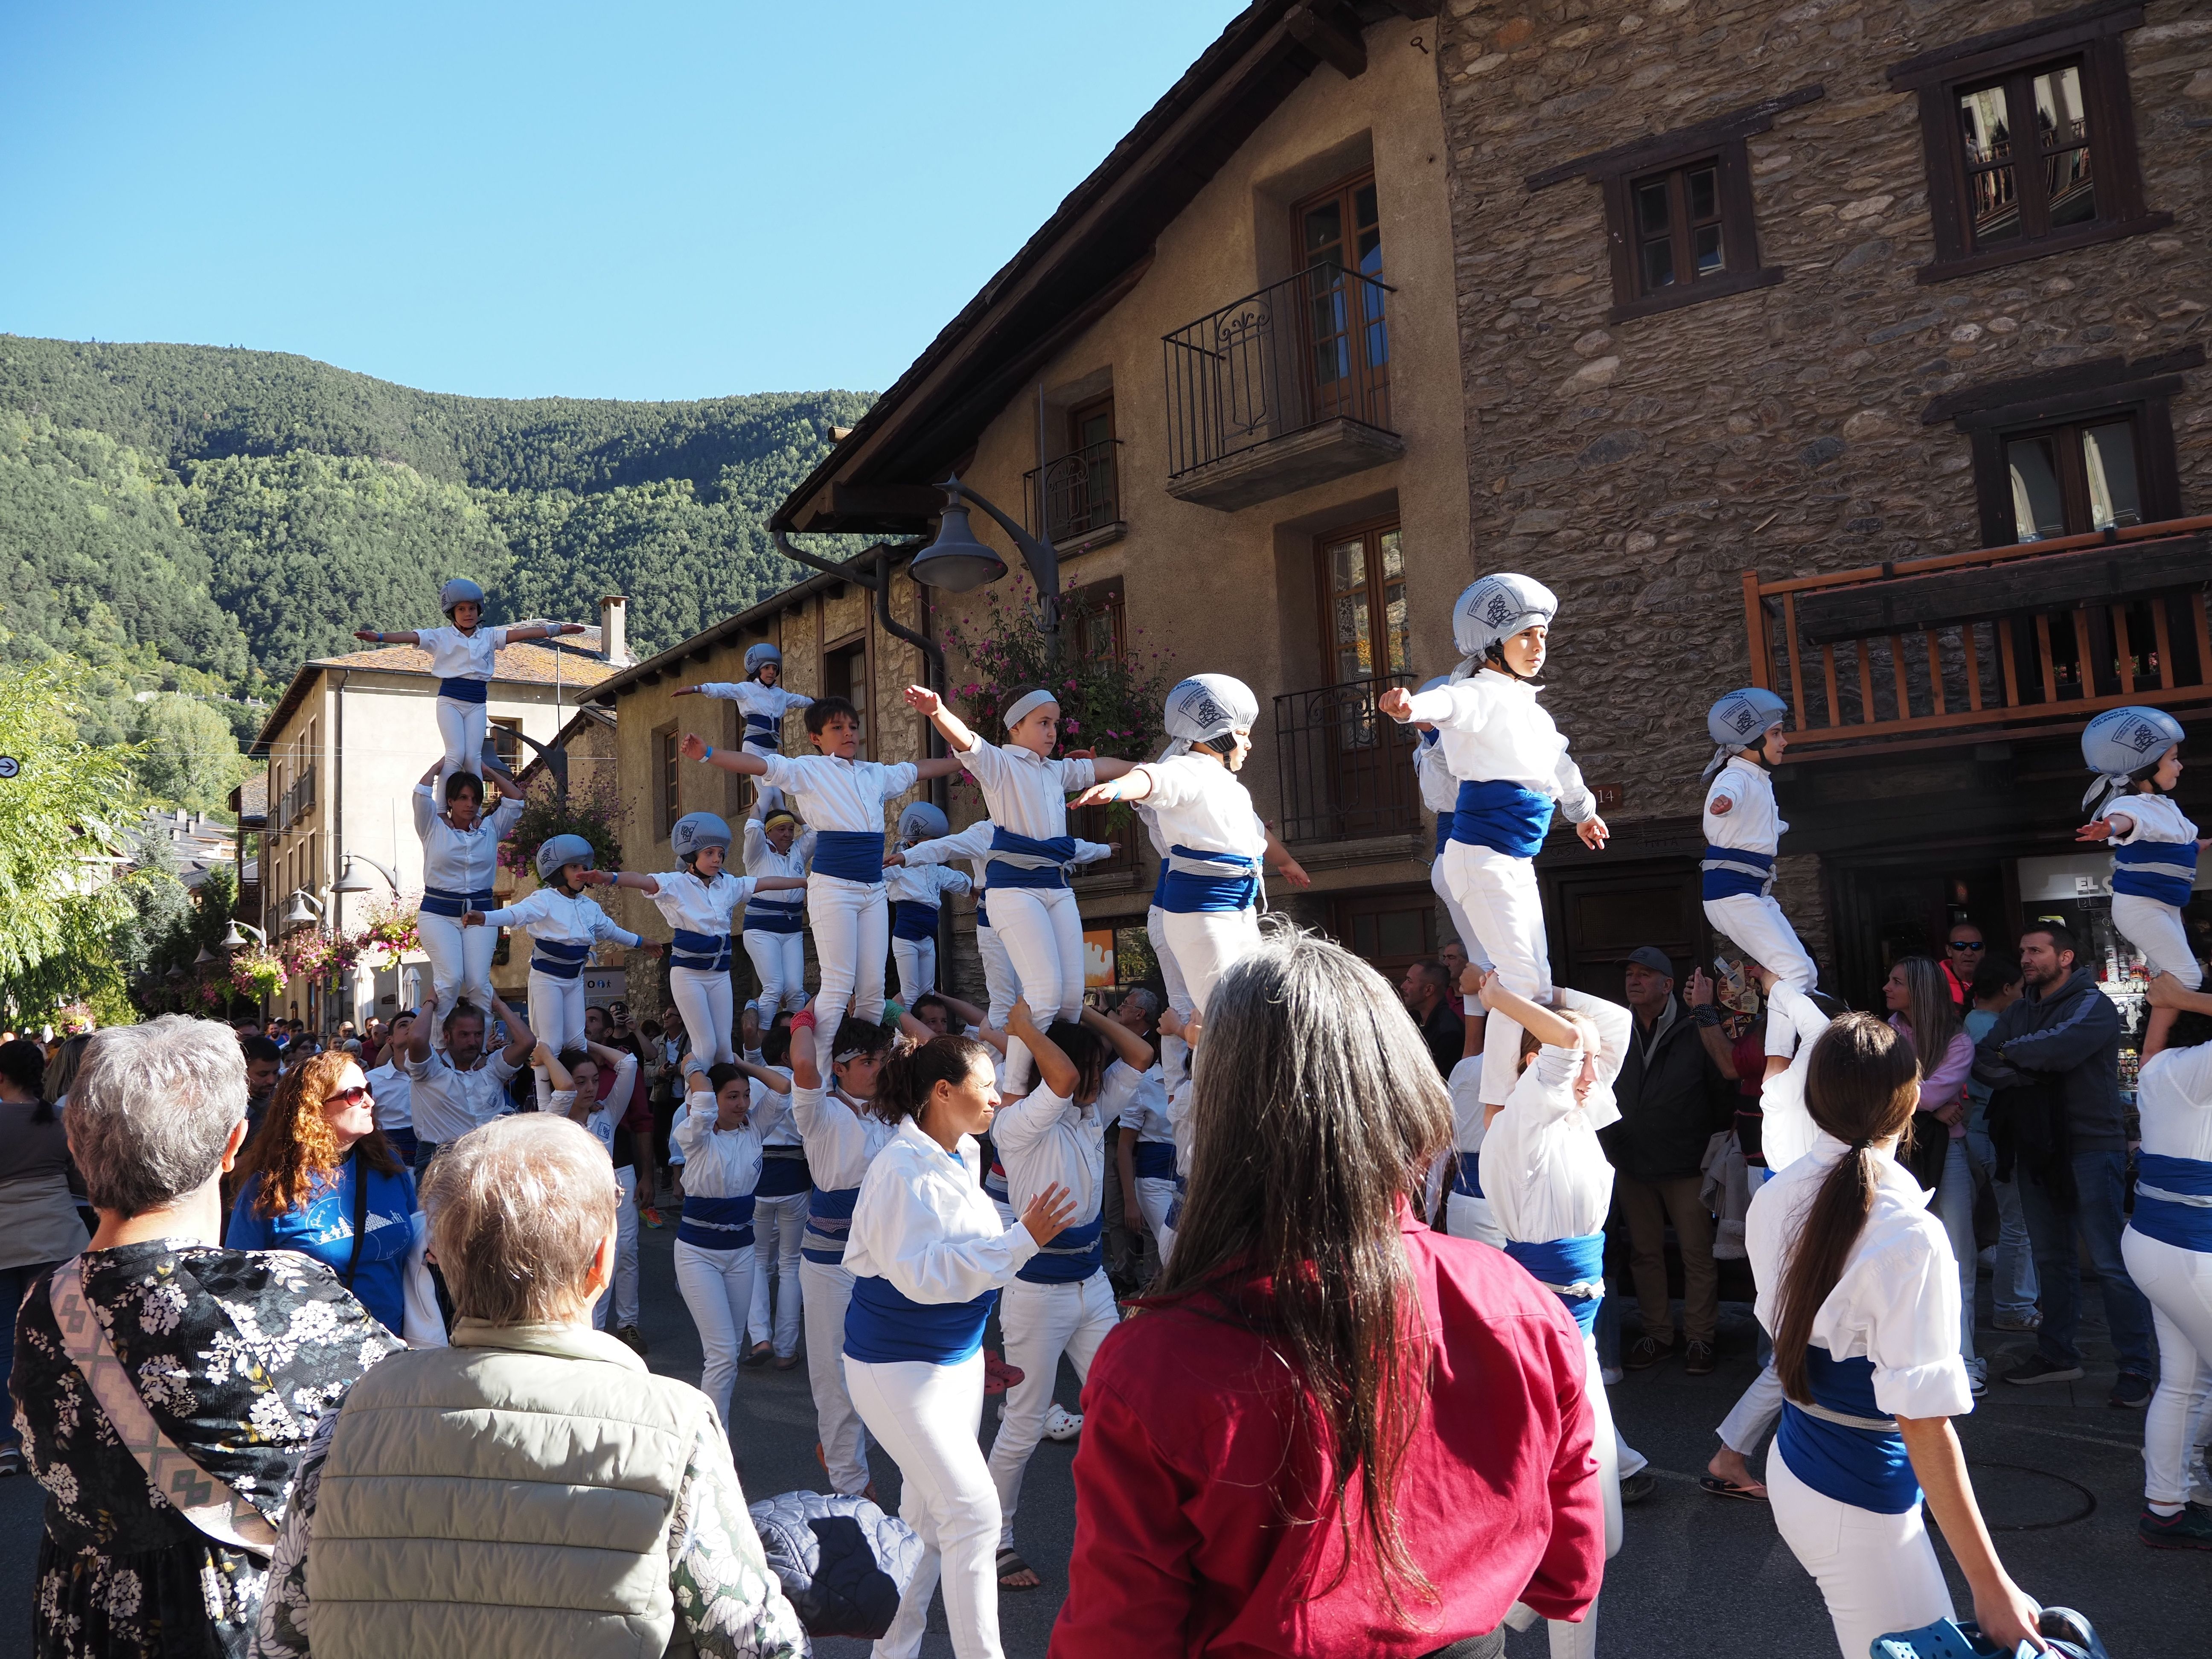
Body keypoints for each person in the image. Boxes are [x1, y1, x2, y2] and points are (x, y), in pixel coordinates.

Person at [1051, 929, 1602, 1658]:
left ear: (1221, 1116)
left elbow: (1115, 1637)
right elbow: (1567, 1574)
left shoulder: (1153, 1363)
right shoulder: (1519, 1304)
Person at [247, 1114, 809, 1659]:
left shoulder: (352, 1415)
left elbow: (279, 1638)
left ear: (443, 1262)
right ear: (601, 1262)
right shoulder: (674, 1425)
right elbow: (755, 1642)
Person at [12, 1017, 398, 1659]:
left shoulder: (43, 1306)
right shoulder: (276, 1292)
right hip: (230, 1618)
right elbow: (402, 1442)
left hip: (88, 1621)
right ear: (232, 1145)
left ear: (80, 1152)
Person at [1749, 1013, 2045, 1659]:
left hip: (1800, 1465)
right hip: (1857, 1498)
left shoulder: (1775, 1197)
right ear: (1911, 1098)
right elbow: (1924, 1421)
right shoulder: (1909, 1234)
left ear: (1813, 1099)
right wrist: (1991, 1584)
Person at [838, 1017, 1078, 1659]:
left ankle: (892, 1652)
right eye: (988, 1085)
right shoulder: (899, 1169)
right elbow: (923, 1278)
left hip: (956, 1359)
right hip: (894, 1366)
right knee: (973, 1513)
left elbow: (962, 1256)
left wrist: (975, 1336)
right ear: (943, 1091)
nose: (999, 1098)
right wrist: (1023, 1239)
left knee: (927, 1525)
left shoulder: (963, 1153)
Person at [1377, 576, 1608, 1112]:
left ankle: (1507, 1097)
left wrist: (1585, 814)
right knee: (1521, 980)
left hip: (1513, 858)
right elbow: (1448, 705)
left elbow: (1561, 768)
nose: (1538, 647)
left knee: (1537, 980)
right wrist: (1410, 707)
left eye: (1544, 636)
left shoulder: (1532, 709)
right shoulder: (1478, 693)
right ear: (1491, 644)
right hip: (1481, 859)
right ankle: (1500, 1105)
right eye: (1526, 635)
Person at [1473, 969, 1644, 1658]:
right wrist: (1497, 999)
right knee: (1587, 1529)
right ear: (1529, 1064)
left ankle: (1505, 1609)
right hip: (1540, 1344)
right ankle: (1501, 1612)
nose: (1591, 1068)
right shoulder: (1520, 1120)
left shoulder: (1573, 1111)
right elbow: (1573, 1042)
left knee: (1595, 1528)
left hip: (1573, 1337)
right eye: (1570, 1060)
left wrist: (1536, 981)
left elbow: (1609, 1025)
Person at [685, 699, 967, 1062]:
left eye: (853, 726)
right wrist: (707, 753)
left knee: (872, 990)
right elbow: (758, 763)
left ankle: (861, 1063)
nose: (849, 732)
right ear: (816, 738)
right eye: (837, 728)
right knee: (837, 985)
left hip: (873, 890)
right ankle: (820, 1074)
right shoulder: (808, 770)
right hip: (834, 888)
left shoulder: (875, 773)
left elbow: (922, 768)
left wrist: (969, 759)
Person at [987, 1000, 1154, 1592]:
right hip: (1037, 1294)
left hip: (1094, 1288)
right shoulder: (1020, 1122)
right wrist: (1027, 1028)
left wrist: (1082, 1011)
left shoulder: (1088, 1113)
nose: (1102, 1075)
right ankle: (997, 1541)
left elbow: (1141, 1053)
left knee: (1127, 1406)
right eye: (1092, 1065)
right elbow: (1058, 1077)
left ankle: (1136, 1535)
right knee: (1024, 1425)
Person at [904, 684, 1132, 1079]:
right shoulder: (998, 765)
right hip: (1014, 890)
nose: (1052, 732)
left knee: (1069, 1001)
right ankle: (1015, 1086)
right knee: (1042, 995)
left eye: (1055, 724)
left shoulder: (1058, 771)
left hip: (1057, 888)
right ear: (1014, 728)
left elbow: (1107, 767)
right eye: (1043, 723)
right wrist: (937, 712)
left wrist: (1157, 775)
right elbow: (968, 743)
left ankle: (1052, 1077)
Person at [1068, 675, 1311, 1040]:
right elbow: (1151, 779)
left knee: (1252, 1010)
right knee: (1225, 1019)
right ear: (1215, 731)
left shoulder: (1227, 786)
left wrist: (1285, 862)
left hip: (1236, 908)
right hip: (1202, 910)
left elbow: (1257, 833)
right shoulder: (1184, 770)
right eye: (1242, 733)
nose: (1249, 744)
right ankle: (1214, 1088)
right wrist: (1116, 789)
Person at [1974, 924, 2156, 1403]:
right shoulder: (2018, 1011)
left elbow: (2058, 1049)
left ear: (2067, 956)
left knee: (2111, 1262)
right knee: (2051, 1258)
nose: (2026, 959)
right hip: (2037, 1148)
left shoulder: (2092, 1005)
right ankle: (2058, 1355)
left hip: (2093, 1147)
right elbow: (1980, 1058)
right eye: (2023, 951)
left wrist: (2014, 1058)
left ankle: (2136, 1368)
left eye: (2036, 951)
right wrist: (2025, 1069)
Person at [1604, 946, 1735, 1374]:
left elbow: (1721, 1089)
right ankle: (1657, 1334)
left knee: (1697, 1254)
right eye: (1630, 974)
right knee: (1644, 1254)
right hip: (1632, 1161)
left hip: (1687, 1161)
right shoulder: (1615, 1028)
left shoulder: (1692, 1025)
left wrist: (1707, 1143)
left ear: (1667, 985)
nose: (1634, 981)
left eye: (1645, 974)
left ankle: (1700, 1338)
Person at [226, 1048, 418, 1335]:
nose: (370, 1102)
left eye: (369, 1090)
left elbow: (414, 1250)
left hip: (394, 1350)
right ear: (313, 1109)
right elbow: (239, 1284)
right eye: (355, 1094)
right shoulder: (272, 1187)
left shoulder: (388, 1167)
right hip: (319, 1360)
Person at [599, 812, 806, 1071]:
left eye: (721, 854)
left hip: (719, 975)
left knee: (724, 1051)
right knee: (705, 1048)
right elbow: (642, 880)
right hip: (689, 975)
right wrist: (610, 878)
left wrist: (806, 882)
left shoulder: (728, 884)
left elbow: (765, 883)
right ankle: (695, 1104)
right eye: (710, 853)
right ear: (691, 856)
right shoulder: (675, 884)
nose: (717, 859)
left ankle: (721, 1101)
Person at [790, 1013, 899, 1498]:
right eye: (867, 1061)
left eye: (882, 1060)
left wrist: (891, 1012)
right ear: (839, 1067)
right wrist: (806, 1017)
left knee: (890, 1369)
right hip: (831, 1262)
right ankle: (849, 1484)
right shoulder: (820, 1112)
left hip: (886, 1258)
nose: (877, 1069)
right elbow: (801, 1064)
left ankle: (844, 1453)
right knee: (835, 1374)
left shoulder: (895, 1112)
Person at [465, 832, 656, 1108]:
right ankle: (545, 1106)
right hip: (548, 980)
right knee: (550, 1044)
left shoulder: (590, 907)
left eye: (583, 867)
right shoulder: (544, 900)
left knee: (577, 1042)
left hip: (574, 979)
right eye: (574, 867)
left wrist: (642, 942)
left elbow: (612, 931)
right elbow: (514, 915)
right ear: (557, 871)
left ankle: (581, 1099)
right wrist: (485, 918)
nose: (581, 873)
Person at [2125, 974, 2212, 1548]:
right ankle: (2173, 1497)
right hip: (2186, 1251)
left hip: (2156, 1245)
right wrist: (2176, 997)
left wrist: (2166, 1005)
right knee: (2186, 1384)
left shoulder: (2162, 1067)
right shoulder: (2196, 1070)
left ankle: (2168, 1505)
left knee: (2184, 1383)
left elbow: (2151, 1048)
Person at [353, 578, 584, 788]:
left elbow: (524, 633)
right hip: (451, 701)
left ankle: (473, 810)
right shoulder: (440, 637)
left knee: (474, 758)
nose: (468, 613)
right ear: (452, 613)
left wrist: (558, 630)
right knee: (455, 755)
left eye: (472, 608)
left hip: (477, 703)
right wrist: (380, 637)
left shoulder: (489, 636)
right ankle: (443, 810)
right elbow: (411, 636)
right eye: (462, 609)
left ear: (479, 610)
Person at [896, 815, 1115, 1035]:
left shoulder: (1037, 828)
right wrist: (906, 856)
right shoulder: (984, 832)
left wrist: (1104, 850)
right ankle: (1004, 1059)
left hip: (1028, 920)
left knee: (1028, 996)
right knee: (1003, 999)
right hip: (993, 921)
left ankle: (1035, 1050)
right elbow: (946, 845)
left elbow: (1071, 847)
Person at [1699, 687, 1818, 1065]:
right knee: (1794, 971)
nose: (1785, 741)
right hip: (1733, 896)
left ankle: (1782, 1057)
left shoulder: (1756, 777)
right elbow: (1728, 792)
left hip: (1750, 893)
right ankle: (1791, 1056)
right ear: (1751, 739)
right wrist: (1725, 805)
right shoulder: (1735, 777)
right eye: (1776, 734)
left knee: (1804, 973)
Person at [1883, 955, 1984, 1392]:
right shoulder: (1885, 1032)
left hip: (1949, 1153)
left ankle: (1965, 1358)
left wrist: (1916, 1098)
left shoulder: (1958, 1040)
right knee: (1900, 1257)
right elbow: (1874, 1087)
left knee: (1957, 1255)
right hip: (1895, 1155)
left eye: (1897, 982)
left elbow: (1923, 1092)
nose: (1887, 988)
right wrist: (1927, 1102)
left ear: (1920, 990)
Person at [2078, 705, 2203, 1052]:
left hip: (2165, 904)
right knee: (2188, 977)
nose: (2179, 765)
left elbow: (2185, 843)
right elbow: (2126, 820)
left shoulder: (2164, 808)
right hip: (2142, 906)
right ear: (2147, 767)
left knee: (2174, 975)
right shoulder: (2137, 807)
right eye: (2173, 759)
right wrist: (2109, 827)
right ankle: (2151, 1054)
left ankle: (2163, 1049)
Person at [0, 1038, 90, 1479]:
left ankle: (5, 1443)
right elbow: (80, 1181)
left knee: (2, 1344)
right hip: (56, 1235)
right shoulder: (59, 1120)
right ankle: (56, 1428)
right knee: (51, 1339)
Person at [664, 1059, 767, 1434]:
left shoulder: (755, 1128)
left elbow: (786, 1090)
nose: (741, 1104)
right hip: (698, 1253)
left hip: (742, 1251)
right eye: (732, 1097)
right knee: (722, 1353)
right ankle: (711, 1443)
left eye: (745, 1096)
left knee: (730, 1353)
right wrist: (693, 1064)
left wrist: (741, 1063)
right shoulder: (694, 1132)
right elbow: (703, 1098)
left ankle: (712, 1435)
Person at [411, 760, 525, 1027]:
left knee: (478, 983)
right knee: (450, 980)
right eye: (463, 798)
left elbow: (516, 798)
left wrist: (487, 772)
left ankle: (481, 1045)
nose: (470, 804)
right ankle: (439, 1045)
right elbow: (420, 794)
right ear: (450, 801)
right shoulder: (432, 827)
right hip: (438, 914)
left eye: (475, 799)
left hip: (481, 914)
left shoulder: (490, 828)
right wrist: (441, 765)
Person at [1962, 954, 2039, 1331]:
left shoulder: (1974, 1022)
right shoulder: (1989, 1026)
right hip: (1994, 1131)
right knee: (2018, 1223)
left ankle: (2018, 1301)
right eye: (2021, 989)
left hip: (1980, 1127)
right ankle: (2013, 1306)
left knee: (2012, 1221)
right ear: (2007, 989)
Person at [401, 992, 536, 1170]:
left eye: (478, 1034)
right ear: (447, 1036)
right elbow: (417, 1038)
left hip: (489, 1156)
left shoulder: (492, 1067)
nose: (473, 1042)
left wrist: (499, 1004)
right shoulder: (429, 1070)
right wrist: (431, 1001)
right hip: (441, 1159)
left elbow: (527, 1042)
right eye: (464, 1035)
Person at [739, 786, 815, 1027]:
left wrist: (788, 812)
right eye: (781, 829)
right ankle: (761, 1047)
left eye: (791, 829)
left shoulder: (798, 853)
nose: (788, 834)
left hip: (791, 929)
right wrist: (761, 804)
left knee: (795, 990)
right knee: (773, 987)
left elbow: (817, 830)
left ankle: (792, 1041)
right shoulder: (757, 853)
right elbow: (752, 828)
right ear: (769, 832)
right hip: (761, 929)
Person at [884, 799, 974, 1003]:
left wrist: (972, 888)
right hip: (906, 939)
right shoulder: (898, 865)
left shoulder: (934, 868)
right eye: (931, 841)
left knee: (928, 994)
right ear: (913, 840)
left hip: (927, 940)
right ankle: (900, 1035)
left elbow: (953, 878)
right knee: (909, 995)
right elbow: (874, 874)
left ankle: (927, 1034)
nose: (936, 847)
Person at [675, 640, 815, 758]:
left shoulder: (781, 694)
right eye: (767, 667)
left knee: (775, 791)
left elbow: (801, 701)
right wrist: (696, 689)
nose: (771, 672)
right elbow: (724, 689)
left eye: (774, 668)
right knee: (767, 792)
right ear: (757, 670)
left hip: (772, 747)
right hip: (754, 745)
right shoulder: (746, 689)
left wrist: (822, 703)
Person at [361, 1009, 417, 1165]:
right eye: (403, 1025)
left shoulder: (437, 1075)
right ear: (390, 1040)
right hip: (388, 1158)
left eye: (415, 1025)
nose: (410, 1028)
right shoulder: (373, 1080)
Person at [1401, 957, 1463, 1079]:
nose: (1403, 986)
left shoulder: (1448, 1032)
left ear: (1429, 990)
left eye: (1409, 981)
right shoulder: (1409, 1020)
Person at [1942, 922, 1988, 1007]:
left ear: (1983, 951)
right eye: (1960, 946)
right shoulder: (1936, 982)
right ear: (1949, 950)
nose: (1968, 953)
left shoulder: (1996, 981)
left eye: (1976, 946)